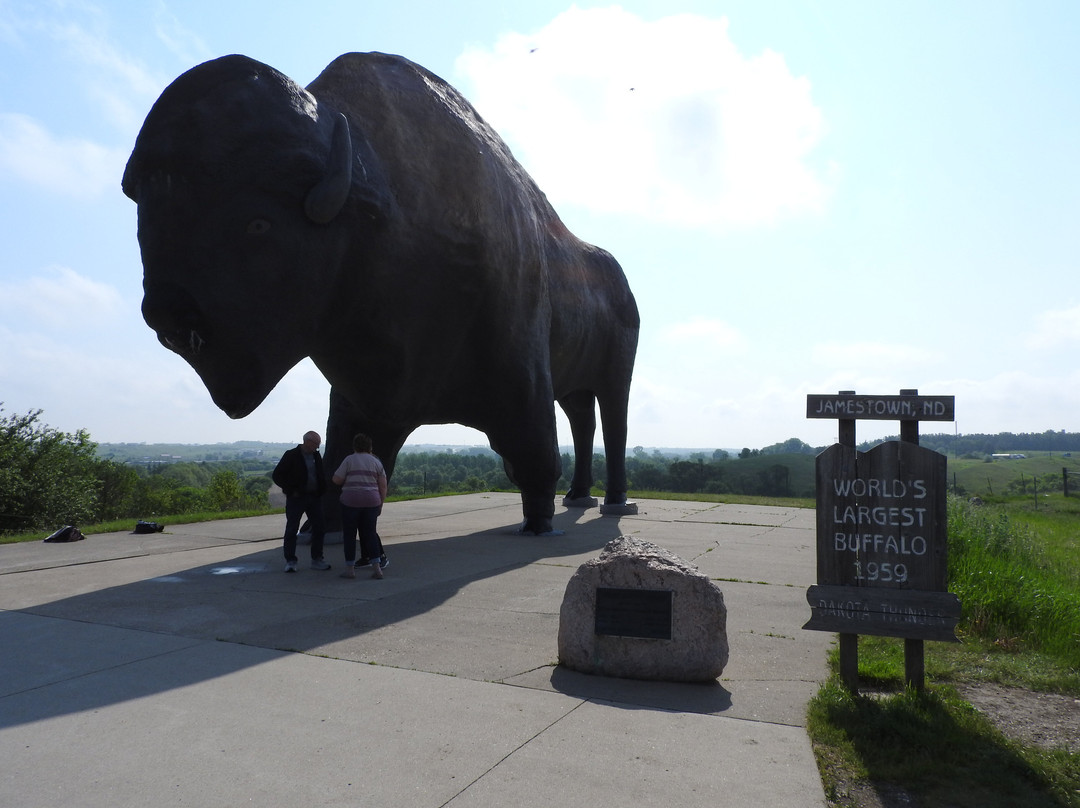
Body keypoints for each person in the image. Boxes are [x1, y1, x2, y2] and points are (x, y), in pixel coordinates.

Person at [272, 431, 330, 573]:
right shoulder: (291, 455)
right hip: (296, 498)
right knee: (292, 528)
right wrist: (291, 490)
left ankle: (317, 559)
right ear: (307, 441)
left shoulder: (316, 456)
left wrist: (322, 489)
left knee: (319, 527)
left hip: (314, 497)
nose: (317, 447)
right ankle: (290, 561)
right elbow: (277, 475)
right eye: (316, 444)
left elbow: (320, 474)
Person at [332, 432, 388, 579]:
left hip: (350, 502)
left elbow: (337, 479)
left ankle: (350, 570)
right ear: (370, 446)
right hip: (371, 502)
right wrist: (380, 504)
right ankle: (377, 569)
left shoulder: (349, 460)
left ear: (354, 446)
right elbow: (383, 486)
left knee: (349, 535)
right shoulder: (376, 462)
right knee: (370, 534)